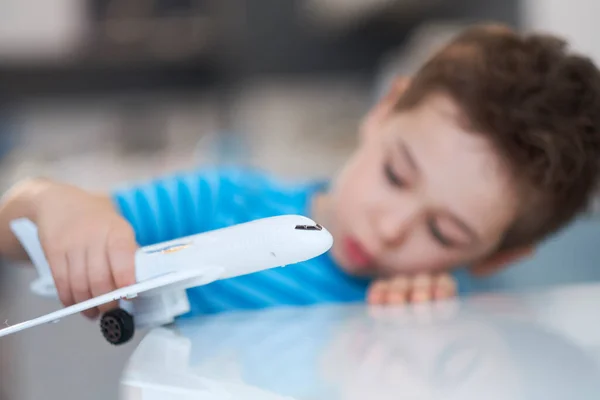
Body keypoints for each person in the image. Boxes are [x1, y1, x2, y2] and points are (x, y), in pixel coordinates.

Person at [1, 24, 599, 320]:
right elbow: (11, 233)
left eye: (443, 234)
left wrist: (427, 340)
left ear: (496, 258)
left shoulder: (454, 315)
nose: (390, 227)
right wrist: (54, 204)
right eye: (395, 173)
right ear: (384, 109)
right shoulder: (220, 203)